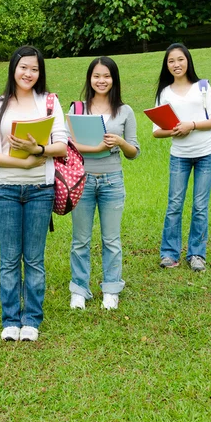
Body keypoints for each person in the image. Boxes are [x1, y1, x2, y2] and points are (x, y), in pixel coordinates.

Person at [0, 46, 67, 342]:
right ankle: (10, 319)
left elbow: (62, 146)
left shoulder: (49, 103)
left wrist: (38, 150)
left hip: (40, 189)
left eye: (34, 69)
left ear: (40, 72)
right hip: (4, 189)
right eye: (23, 68)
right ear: (13, 69)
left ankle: (31, 318)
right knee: (8, 258)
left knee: (33, 258)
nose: (28, 74)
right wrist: (22, 161)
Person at [68, 57, 140, 311]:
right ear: (90, 79)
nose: (101, 81)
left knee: (111, 239)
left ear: (114, 79)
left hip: (112, 181)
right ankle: (79, 289)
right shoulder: (77, 109)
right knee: (81, 239)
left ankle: (111, 288)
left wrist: (120, 143)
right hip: (82, 181)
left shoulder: (125, 111)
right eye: (97, 76)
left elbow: (134, 152)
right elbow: (67, 145)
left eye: (107, 76)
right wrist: (97, 147)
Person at [154, 43, 211, 272]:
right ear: (167, 65)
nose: (176, 64)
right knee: (174, 204)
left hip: (206, 153)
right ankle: (169, 254)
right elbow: (156, 130)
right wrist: (175, 130)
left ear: (188, 61)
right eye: (171, 61)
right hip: (179, 155)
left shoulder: (202, 87)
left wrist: (191, 125)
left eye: (180, 59)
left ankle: (197, 255)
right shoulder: (164, 92)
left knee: (200, 206)